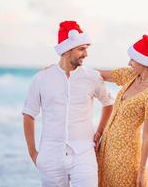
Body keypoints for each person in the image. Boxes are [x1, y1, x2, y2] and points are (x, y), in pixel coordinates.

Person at [22, 21, 114, 187]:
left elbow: (108, 103)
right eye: (81, 49)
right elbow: (29, 114)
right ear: (66, 50)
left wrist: (99, 132)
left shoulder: (91, 77)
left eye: (86, 48)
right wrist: (33, 153)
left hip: (84, 154)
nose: (86, 54)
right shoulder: (42, 78)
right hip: (50, 156)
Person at [96, 35, 148, 187]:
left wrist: (142, 171)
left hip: (126, 155)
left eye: (133, 59)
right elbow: (98, 75)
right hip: (107, 150)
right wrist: (62, 70)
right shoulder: (130, 75)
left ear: (145, 61)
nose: (129, 63)